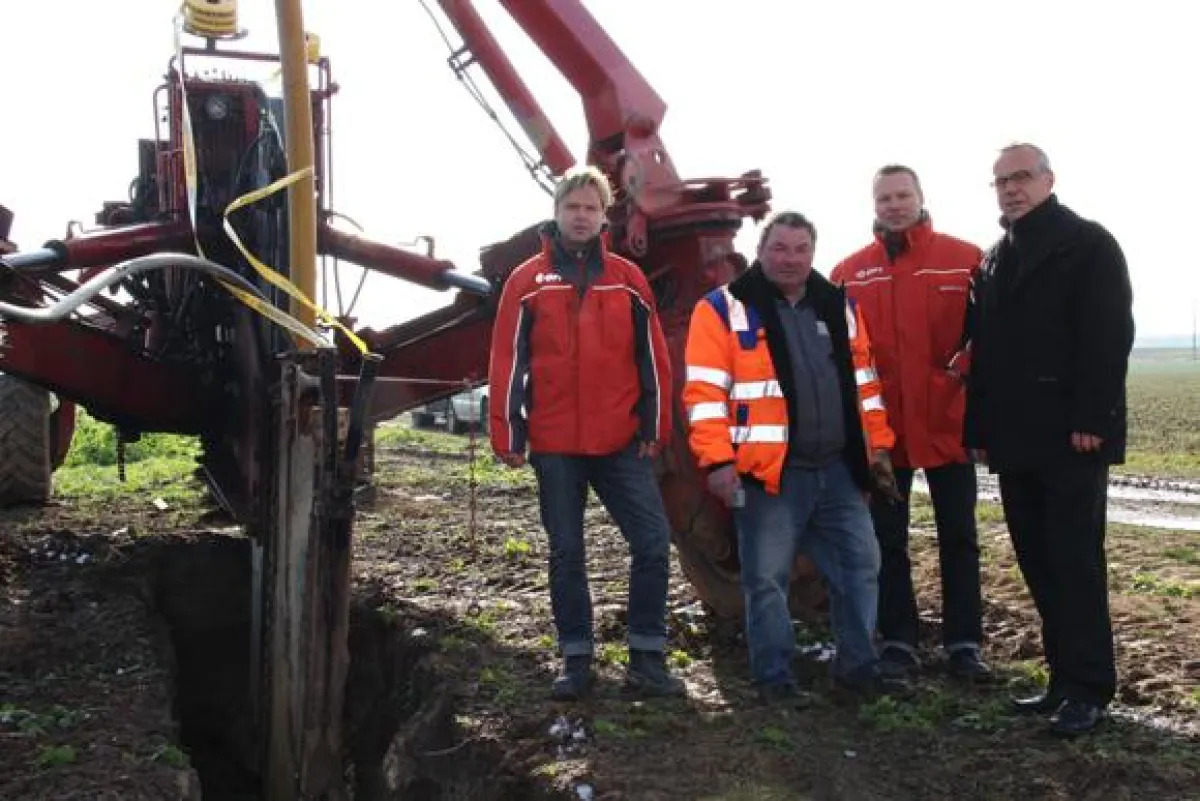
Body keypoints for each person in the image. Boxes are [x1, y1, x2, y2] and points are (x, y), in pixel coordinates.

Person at [682, 210, 908, 704]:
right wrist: (717, 463)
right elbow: (703, 394)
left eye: (801, 249)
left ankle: (857, 669)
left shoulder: (837, 306)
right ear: (761, 252)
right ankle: (774, 678)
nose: (790, 259)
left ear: (813, 253)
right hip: (768, 476)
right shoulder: (723, 309)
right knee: (766, 580)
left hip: (838, 471)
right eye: (780, 248)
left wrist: (877, 453)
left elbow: (865, 387)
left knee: (860, 567)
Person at [487, 165, 685, 701]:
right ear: (556, 212)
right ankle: (576, 658)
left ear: (604, 216)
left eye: (590, 208)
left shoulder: (627, 279)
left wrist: (653, 424)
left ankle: (646, 656)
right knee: (566, 551)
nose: (581, 216)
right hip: (554, 447)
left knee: (651, 542)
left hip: (620, 441)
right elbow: (508, 360)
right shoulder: (527, 281)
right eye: (572, 207)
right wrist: (508, 433)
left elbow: (654, 360)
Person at [963, 143, 1134, 736]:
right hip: (1015, 439)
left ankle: (1090, 688)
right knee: (1037, 559)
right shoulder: (992, 260)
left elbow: (1108, 336)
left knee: (1075, 560)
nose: (1011, 188)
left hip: (1072, 437)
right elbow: (983, 356)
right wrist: (979, 432)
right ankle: (1062, 681)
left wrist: (1094, 418)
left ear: (1047, 180)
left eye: (1021, 177)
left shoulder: (1087, 244)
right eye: (1001, 181)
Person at [830, 166, 990, 679]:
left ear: (921, 197)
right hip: (883, 434)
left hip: (949, 424)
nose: (894, 205)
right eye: (884, 197)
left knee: (959, 536)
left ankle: (965, 643)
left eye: (903, 195)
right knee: (887, 539)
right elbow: (835, 351)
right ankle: (899, 639)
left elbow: (991, 334)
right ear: (873, 204)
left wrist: (958, 378)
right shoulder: (849, 273)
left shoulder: (964, 260)